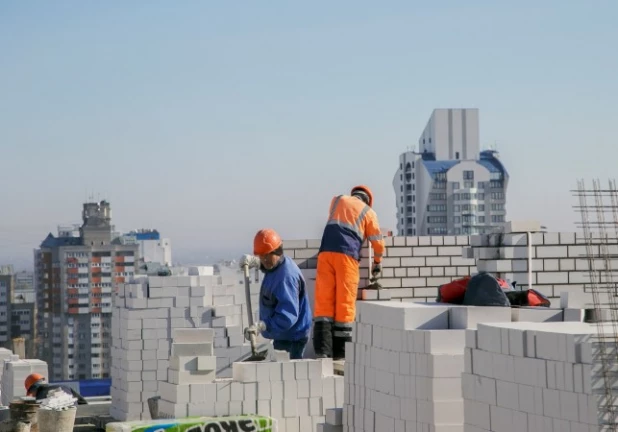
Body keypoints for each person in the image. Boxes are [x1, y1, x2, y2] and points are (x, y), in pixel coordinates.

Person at [313, 185, 386, 359]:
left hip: (325, 254)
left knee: (323, 304)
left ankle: (323, 353)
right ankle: (341, 355)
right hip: (347, 257)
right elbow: (378, 242)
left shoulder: (338, 199)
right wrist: (377, 262)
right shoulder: (368, 212)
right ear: (368, 201)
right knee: (344, 306)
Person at [240, 229, 312, 360]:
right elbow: (269, 266)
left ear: (277, 252)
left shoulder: (286, 277)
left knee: (289, 376)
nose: (264, 260)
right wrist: (255, 263)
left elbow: (287, 317)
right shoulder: (276, 265)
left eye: (266, 255)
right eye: (260, 256)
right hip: (283, 335)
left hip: (292, 338)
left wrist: (263, 325)